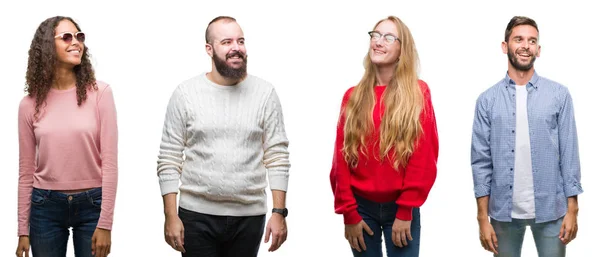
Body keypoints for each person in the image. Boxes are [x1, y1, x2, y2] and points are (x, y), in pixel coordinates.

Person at [156, 16, 290, 257]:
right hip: (196, 216)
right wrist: (170, 215)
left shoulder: (265, 93)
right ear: (209, 49)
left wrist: (279, 212)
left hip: (249, 217)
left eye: (240, 41)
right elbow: (169, 157)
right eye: (226, 42)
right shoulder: (186, 93)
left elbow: (277, 155)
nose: (236, 48)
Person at [471, 15, 582, 257]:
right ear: (505, 46)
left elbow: (569, 153)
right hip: (502, 211)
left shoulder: (559, 95)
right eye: (518, 39)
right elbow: (481, 162)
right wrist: (482, 217)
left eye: (532, 41)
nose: (525, 46)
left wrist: (572, 208)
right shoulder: (487, 101)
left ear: (538, 50)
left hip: (552, 209)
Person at [329, 15, 439, 257]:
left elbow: (424, 157)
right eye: (375, 35)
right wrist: (349, 213)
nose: (379, 42)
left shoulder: (418, 93)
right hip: (360, 210)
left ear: (402, 50)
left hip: (400, 209)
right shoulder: (353, 97)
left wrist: (405, 210)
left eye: (389, 37)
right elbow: (341, 160)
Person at [15, 16, 118, 257]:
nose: (76, 42)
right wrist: (22, 229)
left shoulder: (100, 94)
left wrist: (105, 224)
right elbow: (25, 170)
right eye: (67, 37)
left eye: (79, 36)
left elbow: (110, 164)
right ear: (47, 47)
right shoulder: (28, 105)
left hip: (92, 204)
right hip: (44, 207)